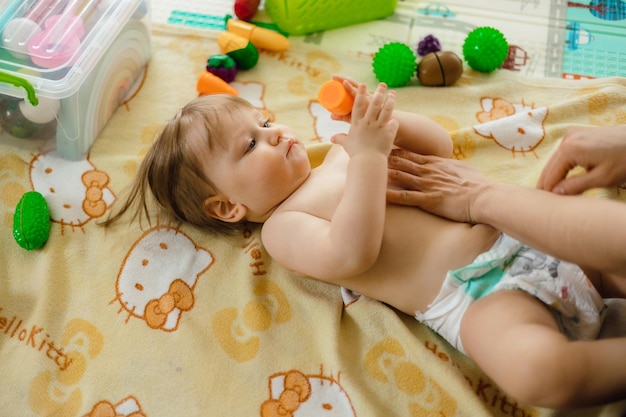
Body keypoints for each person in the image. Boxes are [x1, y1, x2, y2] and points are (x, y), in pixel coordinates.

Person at [104, 76, 626, 409]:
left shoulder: (337, 154)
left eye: (265, 122)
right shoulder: (284, 226)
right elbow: (353, 252)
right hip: (476, 296)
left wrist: (377, 121)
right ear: (227, 207)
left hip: (524, 231)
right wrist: (371, 158)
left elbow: (439, 148)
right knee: (540, 373)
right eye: (251, 143)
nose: (278, 133)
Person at [386, 124, 626, 298]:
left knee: (547, 362)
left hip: (521, 239)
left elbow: (439, 145)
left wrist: (479, 197)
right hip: (483, 288)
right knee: (544, 361)